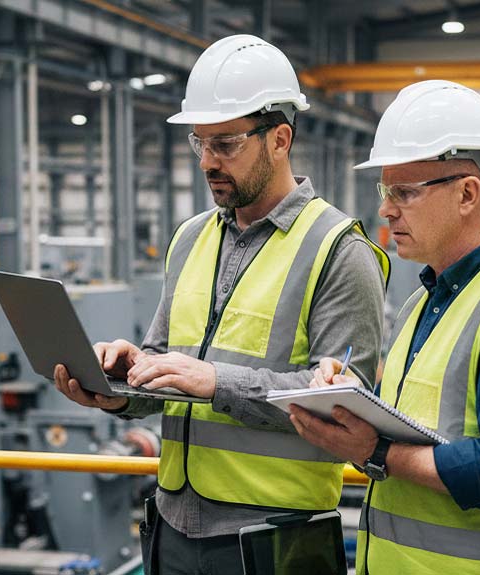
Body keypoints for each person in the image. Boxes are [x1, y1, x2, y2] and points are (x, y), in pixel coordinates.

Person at [52, 34, 389, 575]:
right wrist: (116, 388)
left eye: (226, 144)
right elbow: (162, 366)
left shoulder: (338, 250)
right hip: (173, 524)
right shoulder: (189, 238)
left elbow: (346, 405)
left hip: (273, 535)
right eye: (199, 143)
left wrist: (217, 381)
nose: (208, 161)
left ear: (280, 138)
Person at [287, 80, 480, 574]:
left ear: (467, 194)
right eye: (385, 191)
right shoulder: (423, 302)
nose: (386, 209)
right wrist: (352, 400)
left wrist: (376, 449)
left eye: (404, 192)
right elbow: (424, 427)